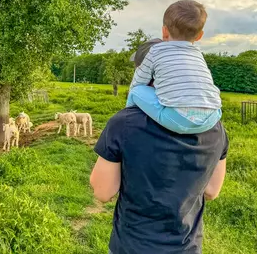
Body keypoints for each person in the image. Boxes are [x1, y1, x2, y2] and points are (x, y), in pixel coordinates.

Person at [89, 37, 229, 254]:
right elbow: (211, 191)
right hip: (186, 247)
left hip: (132, 246)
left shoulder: (124, 122)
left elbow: (102, 192)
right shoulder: (214, 127)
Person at [126, 0, 222, 134]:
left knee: (136, 91)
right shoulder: (198, 54)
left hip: (178, 119)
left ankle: (128, 119)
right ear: (200, 36)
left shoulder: (156, 51)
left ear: (164, 31)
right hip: (212, 117)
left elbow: (139, 81)